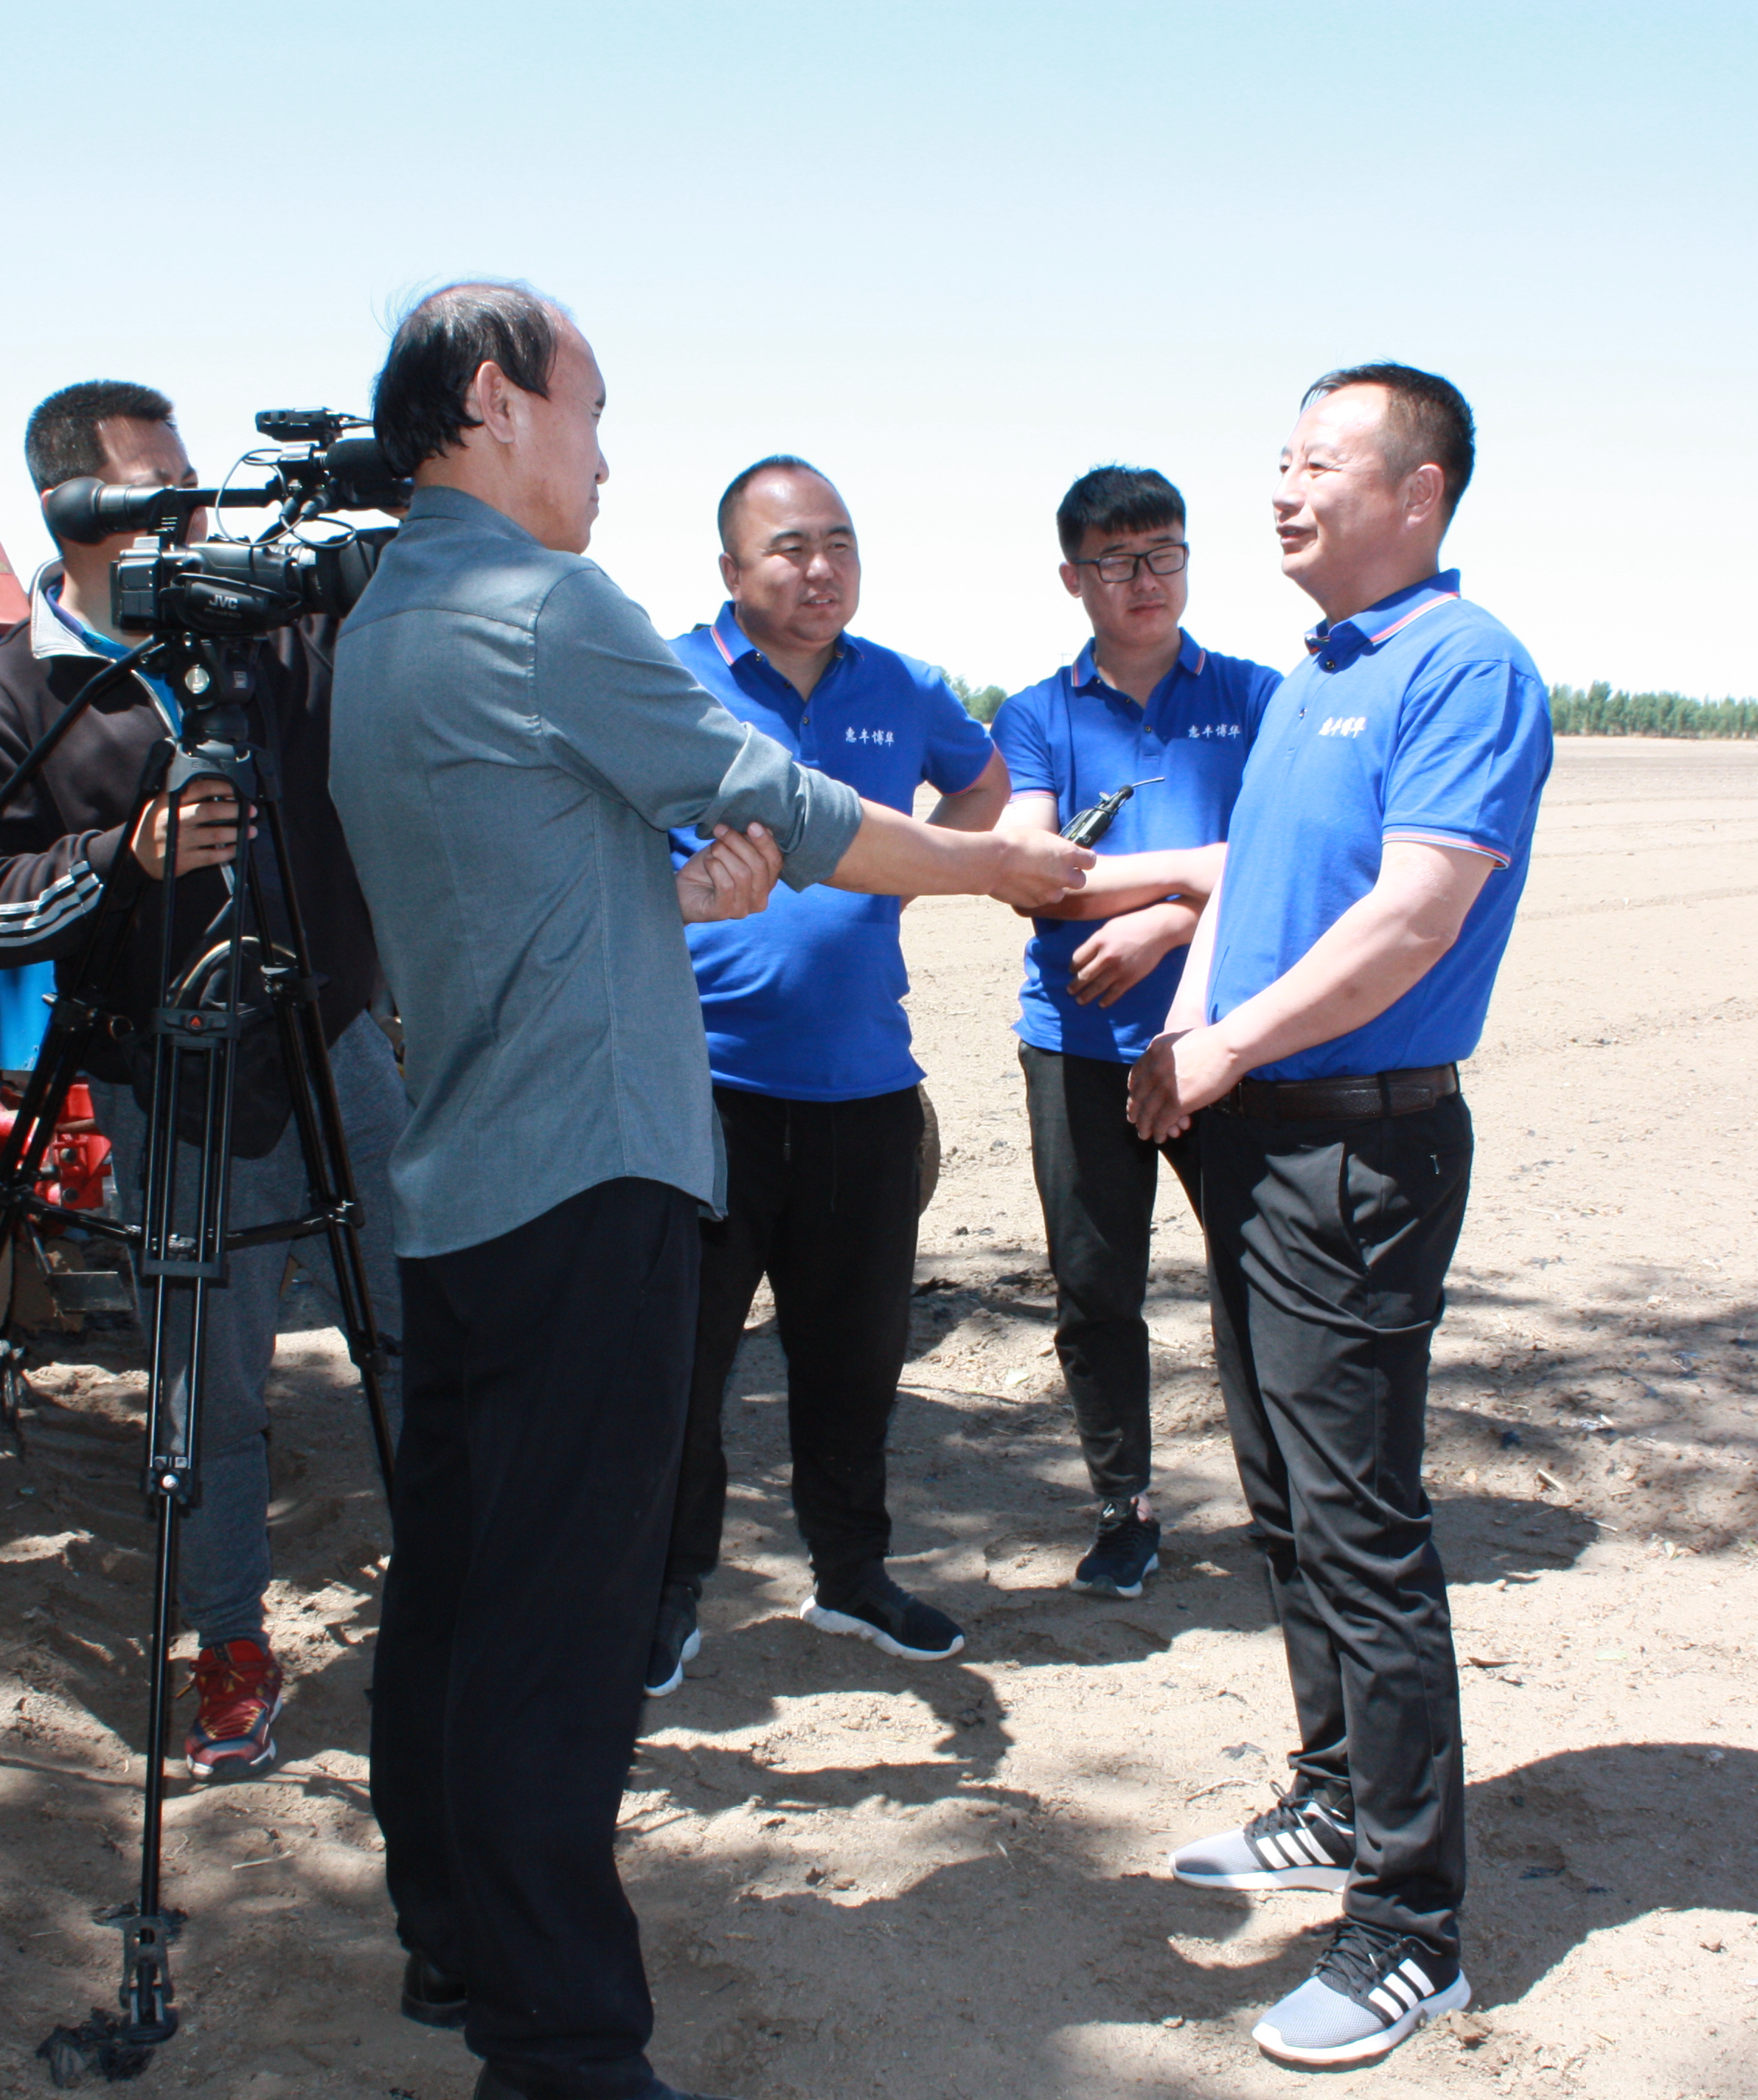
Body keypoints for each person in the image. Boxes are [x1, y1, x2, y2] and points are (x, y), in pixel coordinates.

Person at [327, 282, 1087, 2100]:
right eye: (593, 411)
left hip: (466, 1178)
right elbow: (793, 800)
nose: (604, 455)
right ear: (499, 402)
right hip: (587, 1173)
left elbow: (500, 895)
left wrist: (665, 905)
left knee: (452, 1588)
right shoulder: (543, 601)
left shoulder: (387, 616)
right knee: (559, 1636)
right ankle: (564, 2044)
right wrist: (1000, 864)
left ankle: (449, 1936)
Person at [1131, 365, 1552, 2069]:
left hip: (1356, 1154)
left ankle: (1410, 1926)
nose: (1284, 490)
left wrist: (1224, 1038)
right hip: (1260, 1136)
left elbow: (1413, 915)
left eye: (1320, 463)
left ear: (1422, 490)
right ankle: (1330, 1795)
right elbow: (1258, 874)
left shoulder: (1466, 664)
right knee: (1289, 1502)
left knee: (1365, 1526)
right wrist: (1190, 999)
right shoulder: (1324, 670)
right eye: (1280, 462)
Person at [0, 380, 408, 1784]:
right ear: (73, 508)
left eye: (193, 481)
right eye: (156, 488)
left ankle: (460, 1586)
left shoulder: (272, 641)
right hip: (170, 1076)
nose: (190, 512)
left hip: (333, 1049)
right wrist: (119, 858)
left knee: (418, 1324)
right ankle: (229, 1645)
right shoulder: (10, 690)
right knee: (210, 1383)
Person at [647, 456, 1012, 1697]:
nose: (822, 569)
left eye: (841, 545)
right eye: (792, 548)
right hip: (701, 1092)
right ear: (731, 572)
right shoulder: (666, 681)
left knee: (853, 1362)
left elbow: (980, 783)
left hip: (864, 1092)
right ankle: (667, 1595)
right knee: (680, 1368)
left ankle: (852, 1575)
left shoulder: (902, 686)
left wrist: (937, 858)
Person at [990, 466, 1283, 1597]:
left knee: (1260, 1281)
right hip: (1075, 1045)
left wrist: (1166, 919)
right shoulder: (1037, 715)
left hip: (1227, 1044)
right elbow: (1034, 879)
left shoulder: (1257, 700)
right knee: (1095, 1290)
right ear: (1074, 578)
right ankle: (1126, 1508)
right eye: (1116, 560)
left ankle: (1285, 1505)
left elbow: (1292, 861)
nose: (1144, 580)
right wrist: (1206, 869)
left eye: (1164, 553)